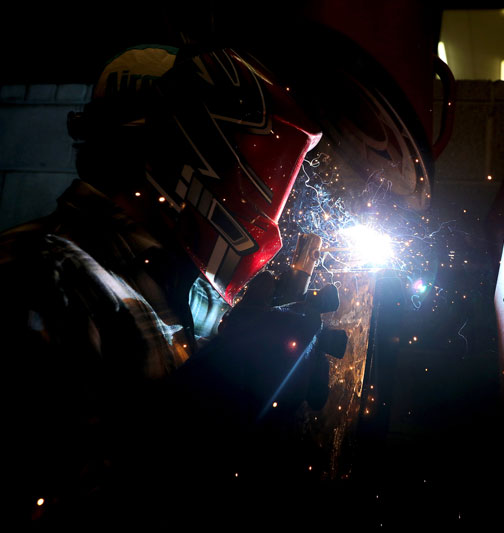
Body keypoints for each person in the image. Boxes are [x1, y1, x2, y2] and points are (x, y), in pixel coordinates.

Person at [4, 44, 337, 528]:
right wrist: (224, 386)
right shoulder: (40, 276)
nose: (267, 208)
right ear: (194, 155)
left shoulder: (166, 292)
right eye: (258, 171)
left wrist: (266, 394)